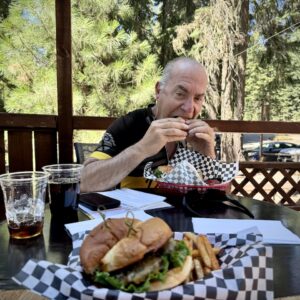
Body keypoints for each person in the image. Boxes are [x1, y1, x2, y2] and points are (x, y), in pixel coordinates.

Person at [80, 57, 215, 192]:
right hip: (130, 213)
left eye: (197, 98)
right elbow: (83, 182)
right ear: (158, 91)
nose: (190, 108)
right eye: (180, 94)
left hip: (182, 212)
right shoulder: (130, 124)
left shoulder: (198, 136)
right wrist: (142, 149)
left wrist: (208, 155)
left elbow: (221, 200)